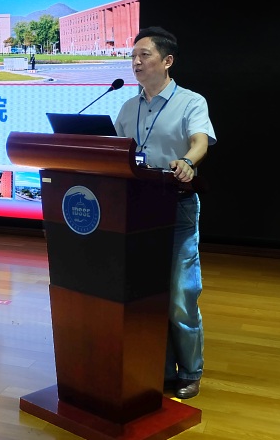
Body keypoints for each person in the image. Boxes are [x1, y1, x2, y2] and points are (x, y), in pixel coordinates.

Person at [114, 26, 217, 400]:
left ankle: (190, 370)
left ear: (167, 61)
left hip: (176, 207)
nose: (136, 62)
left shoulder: (190, 102)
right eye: (133, 56)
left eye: (144, 55)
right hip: (135, 209)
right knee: (145, 295)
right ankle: (157, 367)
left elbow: (200, 141)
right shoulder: (128, 107)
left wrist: (188, 161)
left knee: (179, 296)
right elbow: (115, 152)